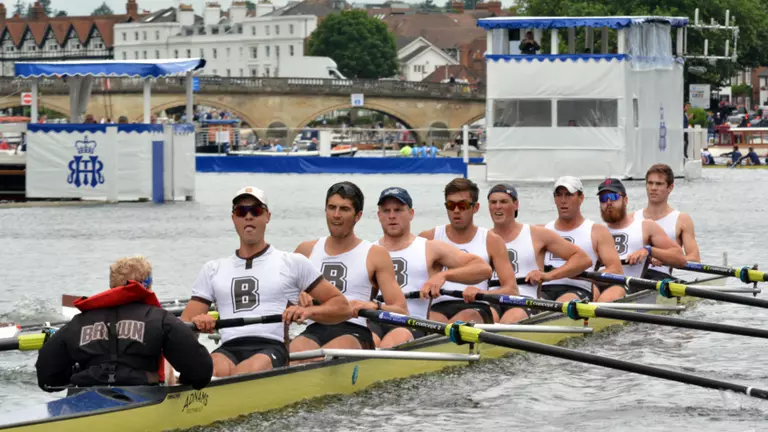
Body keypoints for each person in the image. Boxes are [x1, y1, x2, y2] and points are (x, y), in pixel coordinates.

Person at [180, 187, 351, 377]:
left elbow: (342, 307)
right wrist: (198, 323)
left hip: (270, 347)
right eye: (241, 211)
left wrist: (307, 311)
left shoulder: (292, 263)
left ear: (267, 216)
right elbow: (183, 328)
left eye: (256, 211)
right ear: (233, 218)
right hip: (227, 348)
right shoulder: (213, 269)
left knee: (243, 373)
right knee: (202, 372)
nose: (249, 217)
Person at [36, 256, 213, 391]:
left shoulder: (77, 323)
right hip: (143, 395)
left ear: (112, 286)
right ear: (148, 286)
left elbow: (47, 377)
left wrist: (72, 377)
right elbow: (201, 372)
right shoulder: (161, 320)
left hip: (86, 393)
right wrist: (184, 383)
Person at [291, 182, 408, 357]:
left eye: (344, 209)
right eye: (332, 208)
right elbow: (280, 302)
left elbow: (402, 312)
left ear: (358, 216)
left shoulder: (375, 254)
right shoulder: (305, 251)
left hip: (355, 331)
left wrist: (375, 305)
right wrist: (297, 296)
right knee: (295, 351)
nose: (336, 215)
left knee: (332, 351)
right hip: (314, 329)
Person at [373, 187, 492, 348]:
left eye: (398, 210)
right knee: (367, 340)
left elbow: (483, 269)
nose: (392, 216)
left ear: (411, 214)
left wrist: (444, 276)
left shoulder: (430, 248)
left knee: (391, 342)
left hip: (413, 324)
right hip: (374, 319)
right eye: (386, 211)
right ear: (379, 215)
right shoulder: (369, 251)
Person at [419, 178, 519, 324]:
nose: (456, 211)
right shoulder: (428, 238)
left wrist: (483, 293)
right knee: (432, 321)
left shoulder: (491, 240)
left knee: (464, 318)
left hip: (476, 306)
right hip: (437, 307)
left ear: (476, 207)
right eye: (451, 205)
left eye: (463, 205)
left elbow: (511, 290)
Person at [487, 183, 591, 322]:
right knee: (485, 318)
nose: (498, 206)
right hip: (491, 299)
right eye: (493, 202)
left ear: (516, 204)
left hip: (525, 301)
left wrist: (548, 276)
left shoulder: (536, 234)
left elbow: (583, 259)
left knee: (510, 320)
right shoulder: (483, 237)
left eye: (504, 201)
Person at [542, 177, 626, 303]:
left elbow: (616, 270)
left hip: (578, 289)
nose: (563, 200)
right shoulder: (544, 230)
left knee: (562, 303)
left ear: (581, 198)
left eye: (569, 195)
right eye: (559, 195)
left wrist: (584, 275)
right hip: (545, 289)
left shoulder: (597, 231)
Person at [596, 178, 687, 291]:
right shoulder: (595, 231)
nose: (608, 202)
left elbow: (680, 259)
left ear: (625, 200)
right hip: (599, 285)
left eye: (614, 197)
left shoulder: (646, 226)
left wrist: (649, 250)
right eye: (603, 199)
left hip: (628, 290)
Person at [635, 164, 700, 281]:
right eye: (650, 183)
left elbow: (694, 259)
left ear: (670, 188)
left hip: (660, 278)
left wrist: (666, 258)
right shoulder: (633, 218)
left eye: (659, 184)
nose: (653, 188)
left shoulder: (682, 220)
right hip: (632, 275)